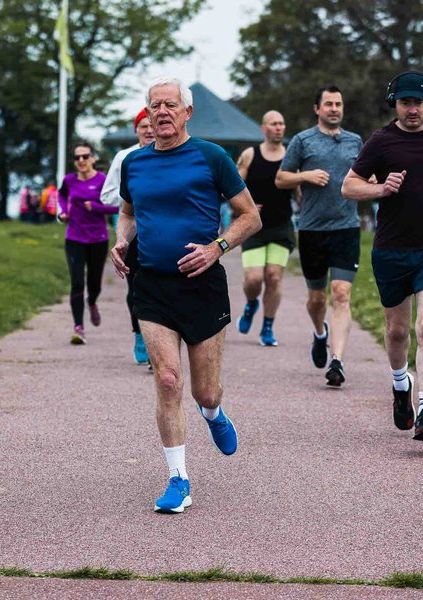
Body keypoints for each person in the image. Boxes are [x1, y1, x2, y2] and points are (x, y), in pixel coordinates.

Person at [111, 76, 262, 513]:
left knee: (206, 392)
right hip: (153, 283)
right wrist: (122, 242)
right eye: (155, 105)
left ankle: (214, 414)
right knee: (167, 379)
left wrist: (217, 249)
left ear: (187, 112)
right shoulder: (135, 164)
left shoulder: (212, 157)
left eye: (170, 105)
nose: (161, 112)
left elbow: (249, 216)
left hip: (203, 285)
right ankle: (178, 479)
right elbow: (128, 212)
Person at [341, 71, 423, 443]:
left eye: (418, 102)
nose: (412, 109)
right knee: (397, 331)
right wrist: (381, 187)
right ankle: (401, 386)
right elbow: (349, 186)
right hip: (392, 250)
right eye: (405, 103)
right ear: (395, 104)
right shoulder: (381, 142)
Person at [276, 85, 364, 387]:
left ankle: (337, 361)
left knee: (341, 293)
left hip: (347, 228)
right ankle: (319, 333)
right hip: (312, 230)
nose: (334, 109)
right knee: (316, 298)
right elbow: (281, 178)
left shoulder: (355, 141)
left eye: (338, 104)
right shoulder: (303, 141)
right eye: (328, 104)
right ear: (318, 109)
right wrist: (305, 176)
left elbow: (367, 175)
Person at [101, 108, 156, 365]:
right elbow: (106, 196)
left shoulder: (169, 155)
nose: (148, 130)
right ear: (136, 130)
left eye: (151, 125)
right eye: (142, 126)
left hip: (162, 231)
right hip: (133, 231)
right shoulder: (125, 157)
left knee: (161, 285)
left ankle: (160, 339)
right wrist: (132, 198)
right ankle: (140, 336)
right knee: (136, 286)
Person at [235, 110, 295, 347]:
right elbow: (234, 186)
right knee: (254, 279)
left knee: (273, 276)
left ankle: (268, 326)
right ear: (264, 128)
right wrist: (245, 206)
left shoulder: (291, 157)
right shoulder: (250, 155)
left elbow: (299, 189)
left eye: (281, 123)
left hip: (281, 226)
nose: (279, 127)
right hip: (253, 227)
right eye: (273, 124)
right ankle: (251, 305)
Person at [58, 142, 119, 344]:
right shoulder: (69, 181)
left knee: (94, 284)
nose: (81, 161)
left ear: (93, 158)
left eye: (85, 156)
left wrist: (95, 207)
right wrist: (62, 211)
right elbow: (61, 195)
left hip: (98, 239)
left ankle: (92, 302)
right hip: (74, 237)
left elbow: (116, 208)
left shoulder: (103, 180)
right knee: (77, 283)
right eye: (77, 158)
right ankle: (78, 328)